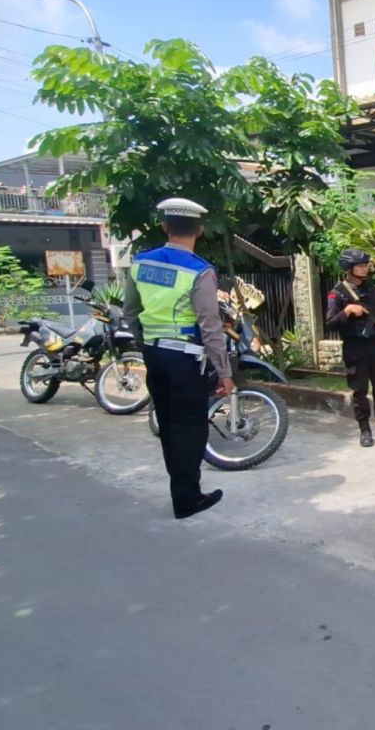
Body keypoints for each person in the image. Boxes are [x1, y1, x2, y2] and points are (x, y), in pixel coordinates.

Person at [123, 198, 232, 520]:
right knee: (190, 428)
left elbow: (131, 313)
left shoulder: (140, 263)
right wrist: (225, 372)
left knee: (169, 426)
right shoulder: (200, 271)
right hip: (186, 359)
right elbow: (210, 326)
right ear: (200, 229)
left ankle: (180, 490)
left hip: (155, 355)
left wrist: (147, 344)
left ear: (165, 226)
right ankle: (187, 498)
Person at [325, 248, 375, 448]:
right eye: (360, 265)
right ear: (349, 268)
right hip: (355, 349)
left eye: (365, 265)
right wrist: (347, 311)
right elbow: (331, 323)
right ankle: (365, 431)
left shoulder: (372, 289)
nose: (365, 268)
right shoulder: (338, 293)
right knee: (360, 391)